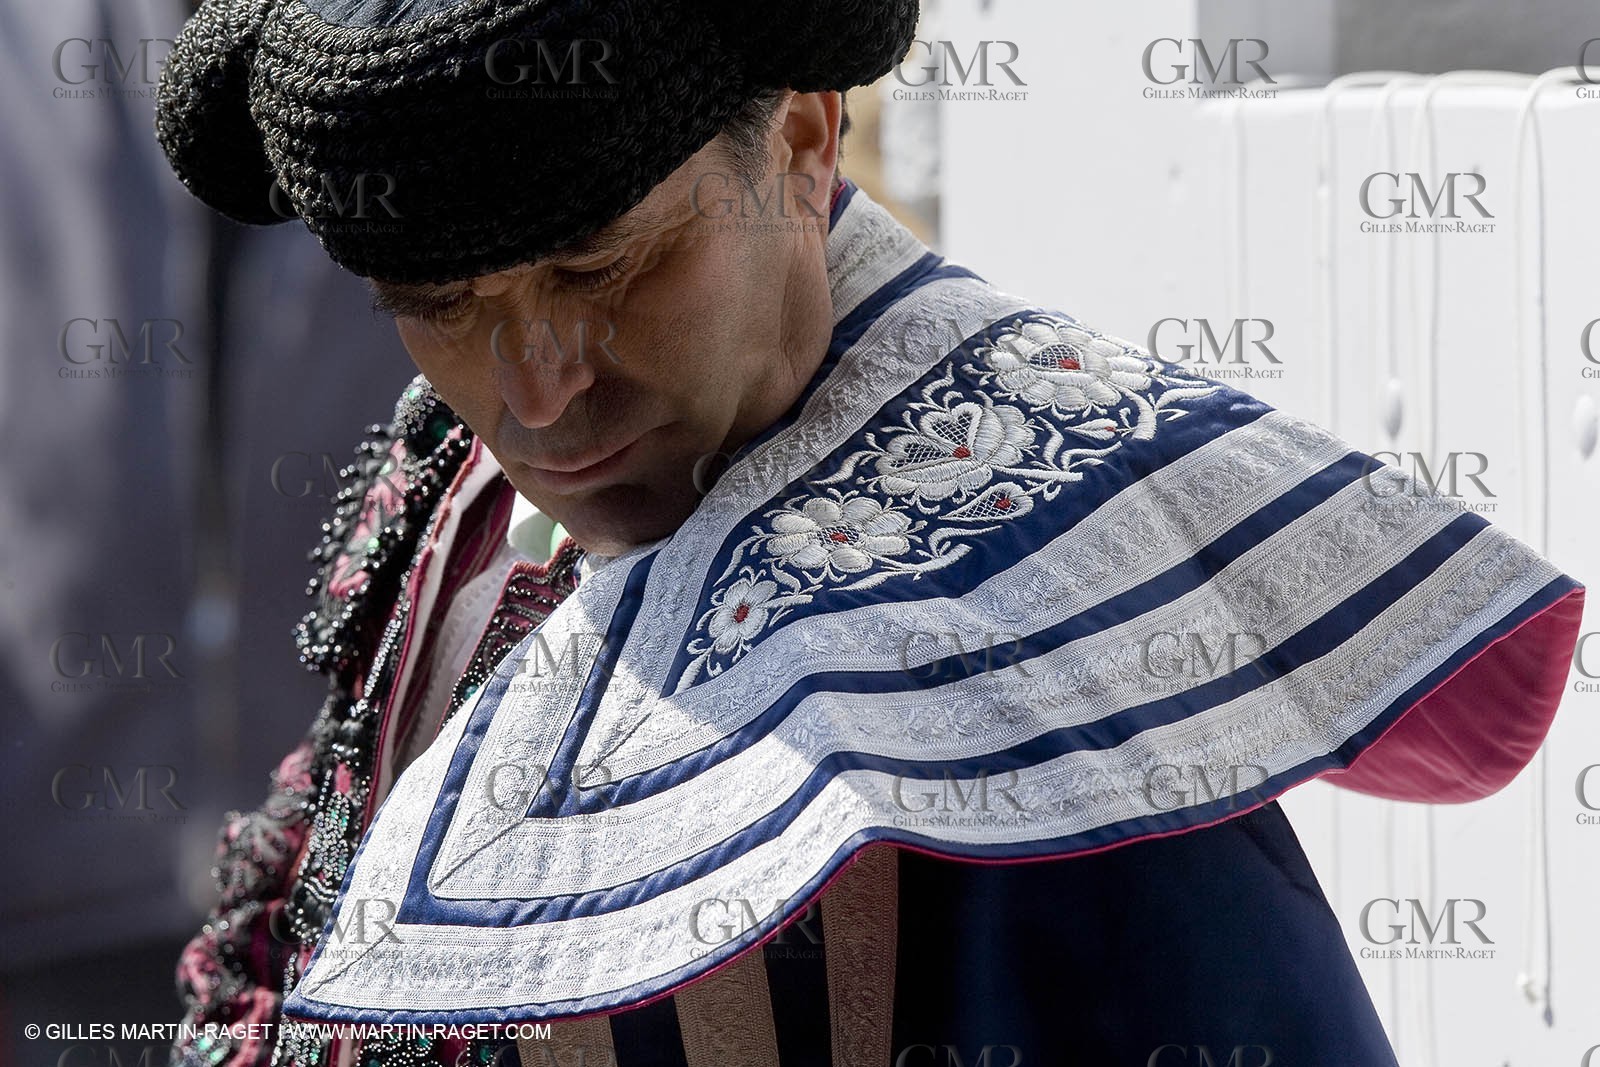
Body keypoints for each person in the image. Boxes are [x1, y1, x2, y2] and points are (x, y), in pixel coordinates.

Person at [155, 1, 1585, 1065]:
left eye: (607, 267)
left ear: (801, 139)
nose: (535, 394)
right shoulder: (457, 488)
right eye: (439, 307)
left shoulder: (1028, 612)